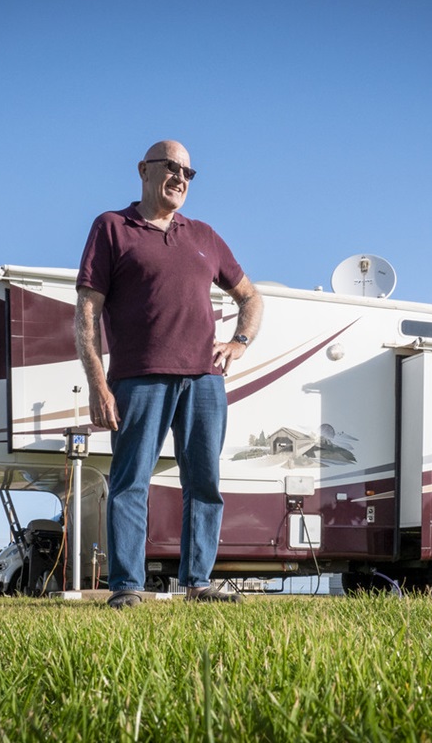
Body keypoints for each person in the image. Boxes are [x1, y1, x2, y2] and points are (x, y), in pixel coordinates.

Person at [75, 140, 263, 609]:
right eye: (172, 167)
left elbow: (251, 298)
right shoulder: (112, 227)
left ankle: (199, 583)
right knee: (130, 482)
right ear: (143, 169)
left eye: (189, 173)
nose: (181, 178)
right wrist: (99, 383)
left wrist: (238, 343)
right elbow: (86, 314)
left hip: (204, 380)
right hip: (138, 378)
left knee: (204, 483)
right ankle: (126, 587)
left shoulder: (203, 235)